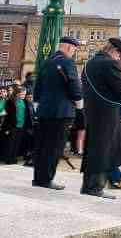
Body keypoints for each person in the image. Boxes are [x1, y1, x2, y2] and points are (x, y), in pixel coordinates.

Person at [79, 38, 121, 199]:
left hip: (93, 112)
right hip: (109, 113)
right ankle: (95, 187)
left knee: (93, 149)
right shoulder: (110, 64)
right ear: (114, 51)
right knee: (104, 151)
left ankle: (88, 185)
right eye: (119, 55)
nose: (119, 58)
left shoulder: (90, 63)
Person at [33, 36, 83, 191]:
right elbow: (74, 83)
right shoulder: (67, 62)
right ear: (68, 48)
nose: (74, 52)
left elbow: (38, 85)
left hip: (44, 109)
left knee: (42, 146)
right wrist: (79, 102)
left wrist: (37, 103)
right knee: (55, 147)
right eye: (74, 49)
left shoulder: (46, 61)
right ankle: (46, 179)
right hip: (62, 111)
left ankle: (38, 178)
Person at [3, 87, 32, 164]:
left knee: (17, 143)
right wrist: (7, 128)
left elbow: (27, 113)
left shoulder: (25, 101)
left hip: (22, 125)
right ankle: (8, 159)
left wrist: (28, 125)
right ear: (17, 93)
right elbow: (8, 116)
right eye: (22, 94)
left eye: (24, 94)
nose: (23, 95)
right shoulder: (11, 101)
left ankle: (14, 158)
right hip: (13, 125)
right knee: (11, 143)